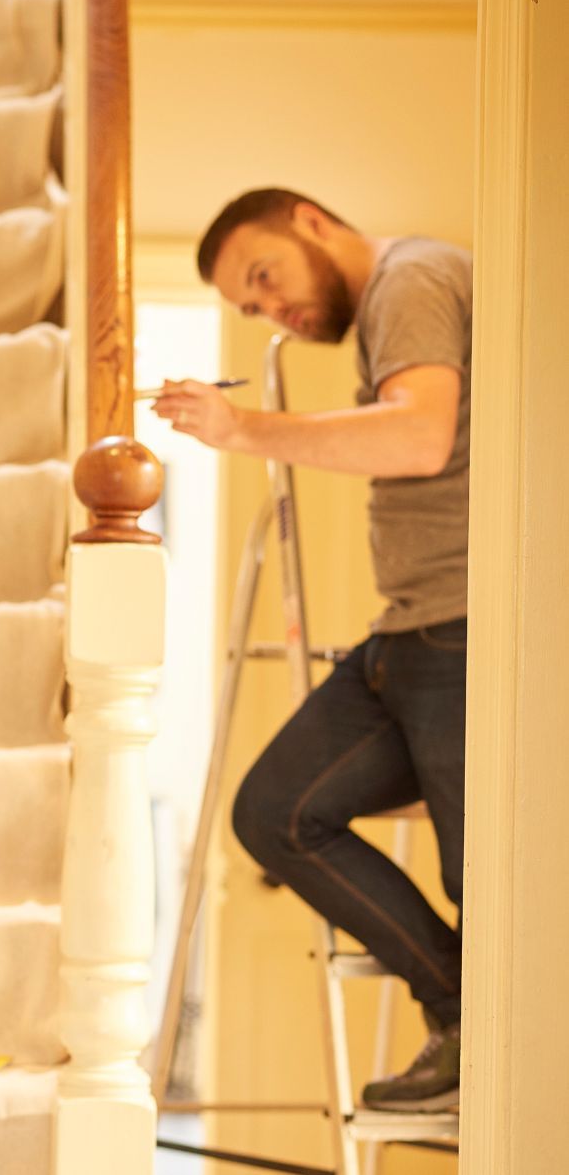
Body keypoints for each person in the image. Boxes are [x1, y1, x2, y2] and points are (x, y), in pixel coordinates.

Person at [154, 188, 471, 1112]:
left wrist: (243, 430)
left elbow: (419, 434)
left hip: (459, 629)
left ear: (310, 220)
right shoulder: (389, 303)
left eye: (265, 276)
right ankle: (457, 1004)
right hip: (408, 632)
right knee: (276, 812)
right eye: (252, 307)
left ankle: (482, 1041)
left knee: (479, 876)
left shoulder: (412, 277)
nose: (273, 309)